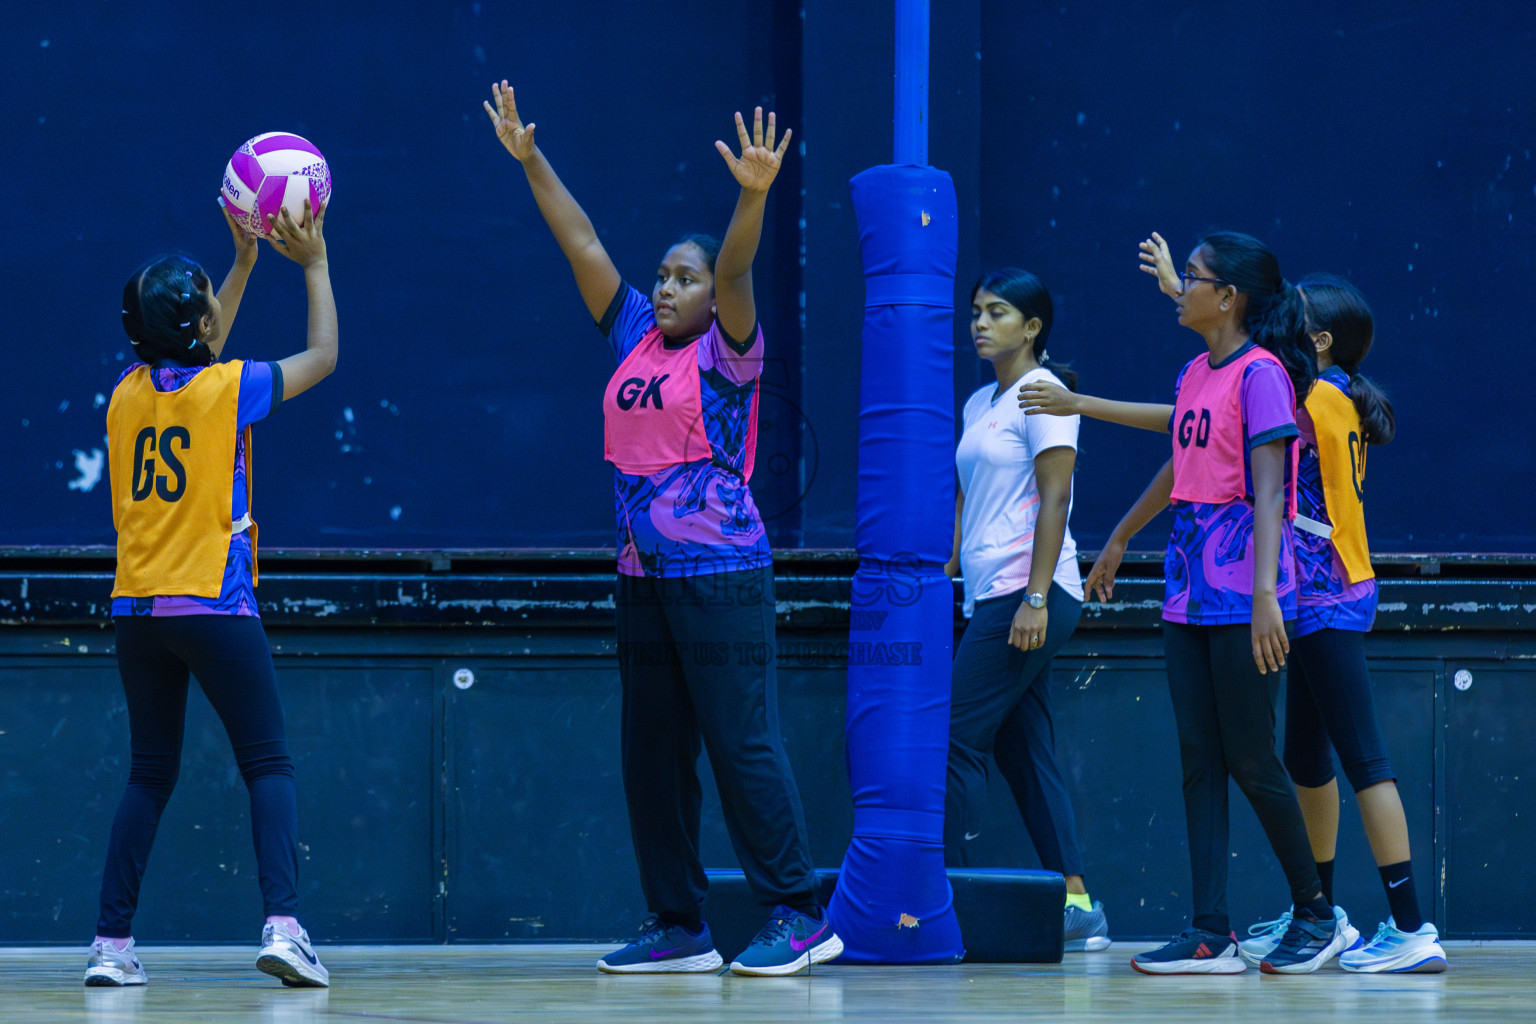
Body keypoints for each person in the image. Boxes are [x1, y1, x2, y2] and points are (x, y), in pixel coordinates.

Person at [484, 81, 840, 977]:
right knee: (650, 754)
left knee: (740, 740)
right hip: (642, 574)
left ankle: (798, 911)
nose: (669, 286)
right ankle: (679, 922)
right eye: (665, 275)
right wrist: (532, 160)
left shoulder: (729, 347)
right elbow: (582, 240)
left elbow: (735, 271)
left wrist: (751, 197)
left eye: (686, 276)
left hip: (721, 571)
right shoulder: (636, 334)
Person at [1020, 232, 1348, 974]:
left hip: (1245, 595)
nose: (1182, 290)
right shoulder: (1198, 370)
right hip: (1187, 592)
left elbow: (1269, 491)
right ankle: (1210, 931)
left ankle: (1317, 913)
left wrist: (1268, 593)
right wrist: (1119, 537)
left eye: (1194, 280)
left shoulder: (1262, 375)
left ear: (1227, 297)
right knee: (1200, 760)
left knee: (1253, 758)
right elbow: (1180, 454)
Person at [88, 199, 336, 988]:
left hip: (136, 610)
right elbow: (323, 356)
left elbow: (193, 340)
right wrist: (316, 264)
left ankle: (111, 947)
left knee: (147, 775)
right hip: (215, 604)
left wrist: (241, 265)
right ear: (201, 330)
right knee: (268, 763)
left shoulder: (125, 395)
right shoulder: (228, 389)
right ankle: (285, 927)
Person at [1235, 275, 1446, 973]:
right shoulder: (1333, 392)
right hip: (1315, 594)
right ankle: (1319, 915)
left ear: (1317, 342)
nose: (1272, 327)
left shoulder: (1311, 398)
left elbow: (1242, 378)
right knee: (1307, 760)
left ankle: (1412, 927)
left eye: (1289, 319)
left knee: (1366, 764)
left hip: (1326, 596)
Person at [942, 269, 1109, 952]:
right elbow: (966, 498)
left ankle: (940, 896)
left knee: (951, 738)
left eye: (998, 312)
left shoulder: (1048, 397)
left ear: (1032, 327)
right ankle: (1077, 906)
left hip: (1030, 592)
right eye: (977, 311)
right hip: (990, 593)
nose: (980, 322)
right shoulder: (980, 399)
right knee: (1025, 753)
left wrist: (1035, 596)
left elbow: (1056, 497)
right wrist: (945, 571)